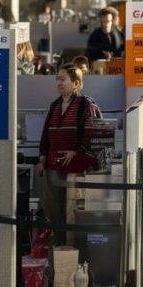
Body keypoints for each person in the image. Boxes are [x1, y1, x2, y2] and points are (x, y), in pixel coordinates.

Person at [37, 66, 102, 243]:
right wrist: (42, 159)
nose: (59, 83)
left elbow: (95, 134)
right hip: (53, 167)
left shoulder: (86, 105)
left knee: (71, 211)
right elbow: (46, 135)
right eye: (57, 79)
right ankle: (60, 247)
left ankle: (72, 248)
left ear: (76, 83)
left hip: (74, 170)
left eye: (63, 79)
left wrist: (77, 151)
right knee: (53, 210)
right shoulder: (54, 105)